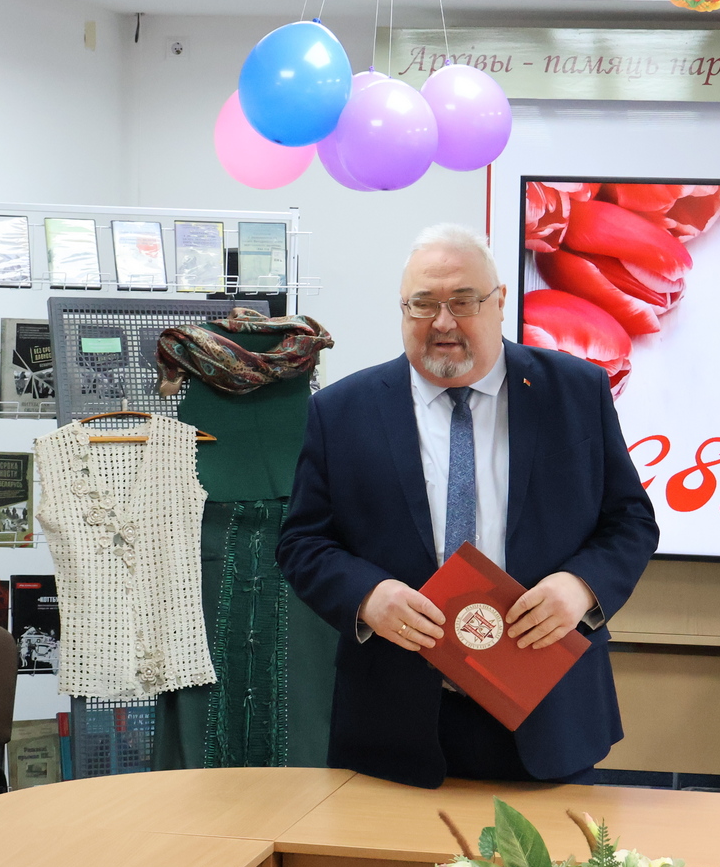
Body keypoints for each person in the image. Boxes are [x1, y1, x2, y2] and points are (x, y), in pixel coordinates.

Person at [277, 223, 659, 788]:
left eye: (463, 301)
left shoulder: (576, 392)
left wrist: (581, 587)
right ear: (402, 308)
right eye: (423, 304)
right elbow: (303, 542)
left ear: (499, 301)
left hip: (548, 708)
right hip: (393, 717)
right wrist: (368, 596)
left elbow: (630, 521)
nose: (443, 322)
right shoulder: (341, 411)